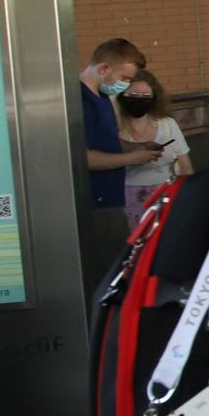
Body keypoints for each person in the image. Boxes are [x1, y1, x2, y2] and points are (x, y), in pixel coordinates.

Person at [77, 38, 159, 282]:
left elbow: (109, 142)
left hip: (112, 198)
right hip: (96, 202)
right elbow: (83, 157)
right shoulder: (81, 102)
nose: (125, 85)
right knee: (111, 273)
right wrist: (131, 157)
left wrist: (138, 147)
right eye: (124, 78)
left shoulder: (102, 98)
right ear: (104, 68)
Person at [114, 69, 192, 226]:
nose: (139, 100)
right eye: (133, 95)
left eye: (145, 96)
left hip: (165, 196)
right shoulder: (113, 126)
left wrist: (188, 198)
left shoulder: (168, 125)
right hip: (124, 200)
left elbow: (186, 168)